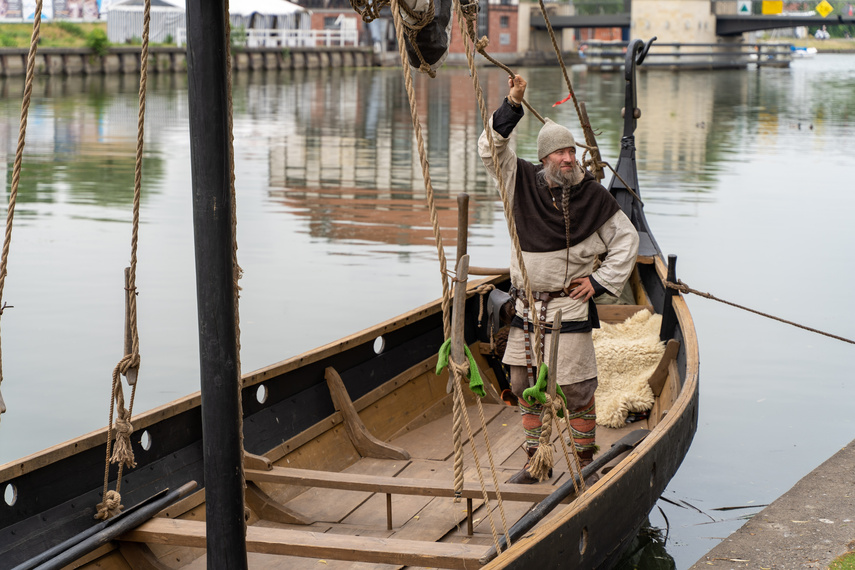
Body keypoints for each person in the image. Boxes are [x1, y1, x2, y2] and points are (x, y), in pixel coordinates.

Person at [478, 75, 639, 484]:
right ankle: (536, 462)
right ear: (545, 159)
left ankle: (585, 464)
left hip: (570, 306)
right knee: (522, 382)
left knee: (579, 389)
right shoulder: (517, 182)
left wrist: (599, 284)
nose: (568, 159)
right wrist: (512, 104)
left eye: (571, 151)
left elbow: (626, 241)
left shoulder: (594, 196)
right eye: (560, 153)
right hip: (528, 307)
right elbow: (489, 148)